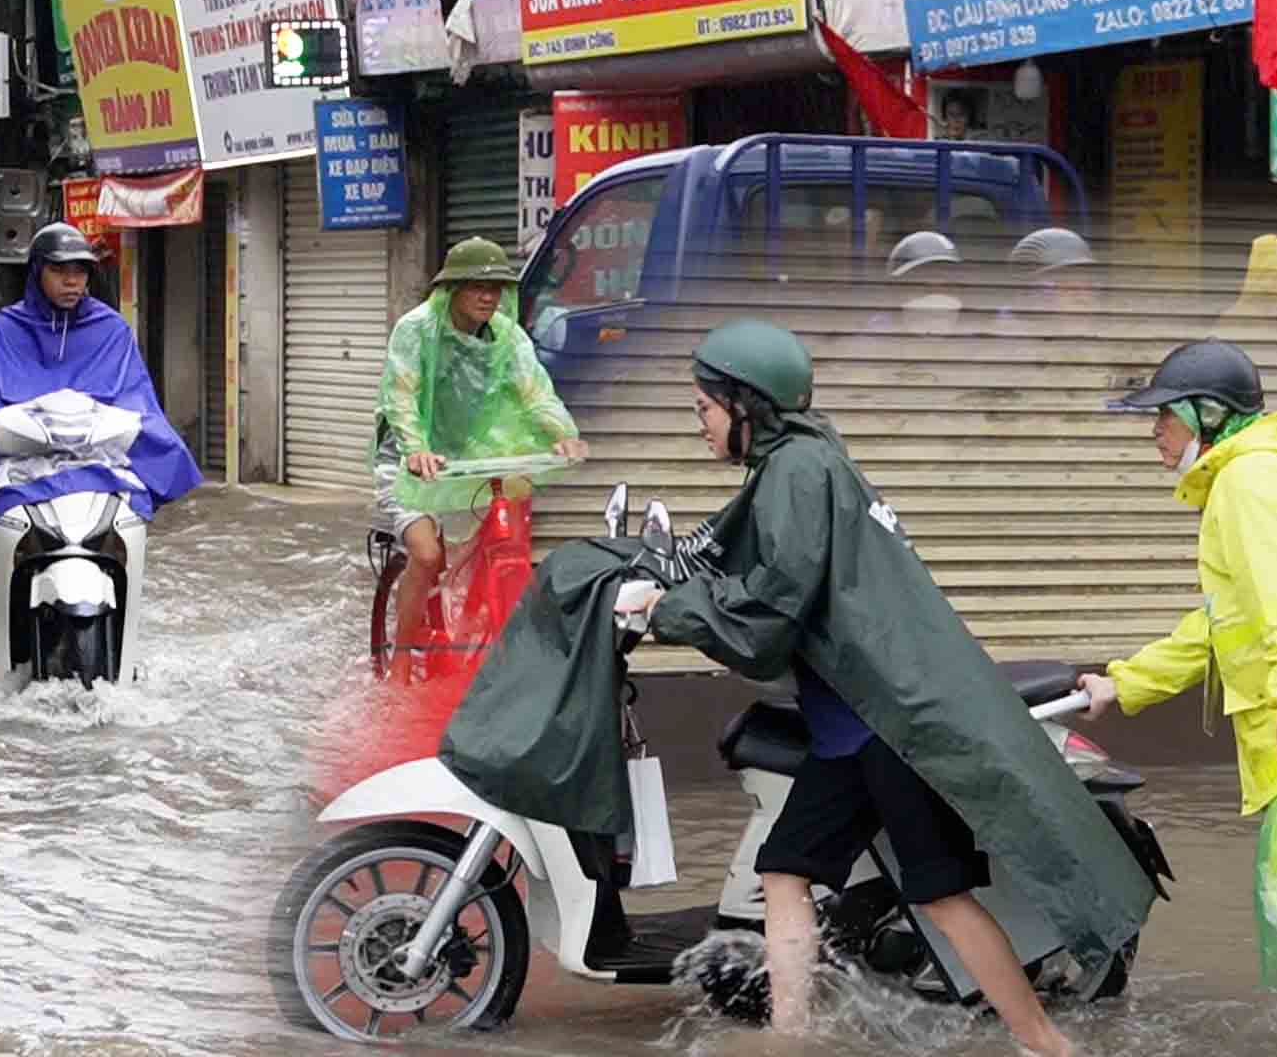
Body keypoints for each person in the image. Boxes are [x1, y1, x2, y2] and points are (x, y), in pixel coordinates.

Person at [618, 320, 1150, 1055]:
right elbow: (750, 565)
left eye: (705, 408)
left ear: (748, 407)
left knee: (939, 894)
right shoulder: (801, 462)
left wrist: (664, 609)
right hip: (850, 725)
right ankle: (791, 1038)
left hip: (892, 725)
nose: (699, 423)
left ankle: (1045, 1043)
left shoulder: (799, 472)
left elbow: (773, 601)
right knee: (784, 870)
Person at [1078, 339, 1277, 1056]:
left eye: (1163, 418)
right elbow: (1221, 625)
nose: (1154, 433)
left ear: (1208, 416)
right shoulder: (1255, 480)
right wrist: (1126, 683)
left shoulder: (1250, 483)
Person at [372, 236, 589, 682]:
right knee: (428, 553)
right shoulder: (416, 330)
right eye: (476, 287)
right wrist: (415, 448)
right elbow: (402, 396)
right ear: (452, 289)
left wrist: (564, 435)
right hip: (410, 459)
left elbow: (535, 391)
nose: (488, 297)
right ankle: (400, 653)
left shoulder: (507, 335)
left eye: (496, 288)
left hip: (470, 456)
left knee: (505, 536)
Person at [0, 221, 200, 535]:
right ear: (37, 271)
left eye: (80, 271)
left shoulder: (112, 330)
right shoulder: (4, 329)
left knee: (129, 526)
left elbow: (137, 404)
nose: (71, 282)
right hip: (18, 468)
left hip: (101, 469)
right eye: (59, 270)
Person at [869, 230, 965, 335]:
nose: (935, 302)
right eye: (924, 290)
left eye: (946, 288)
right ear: (895, 293)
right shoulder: (878, 339)